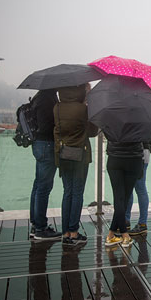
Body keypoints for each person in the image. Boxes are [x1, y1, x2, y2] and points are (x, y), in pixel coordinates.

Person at [54, 83, 98, 246]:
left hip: (63, 154)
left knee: (68, 192)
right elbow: (93, 132)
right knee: (78, 192)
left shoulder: (57, 108)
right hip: (80, 155)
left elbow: (57, 131)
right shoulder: (82, 109)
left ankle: (65, 231)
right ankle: (74, 232)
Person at [29, 89, 61, 240]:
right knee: (44, 187)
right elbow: (47, 125)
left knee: (38, 185)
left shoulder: (39, 96)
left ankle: (36, 224)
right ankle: (41, 228)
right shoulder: (47, 99)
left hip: (38, 144)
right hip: (47, 144)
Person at [105, 140, 144, 248]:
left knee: (119, 197)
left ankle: (111, 234)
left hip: (114, 159)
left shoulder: (112, 122)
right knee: (125, 198)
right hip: (133, 159)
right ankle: (124, 235)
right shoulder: (139, 123)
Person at [124, 141, 151, 235]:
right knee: (137, 188)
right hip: (143, 152)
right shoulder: (150, 126)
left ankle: (135, 222)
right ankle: (140, 222)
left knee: (136, 188)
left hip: (135, 153)